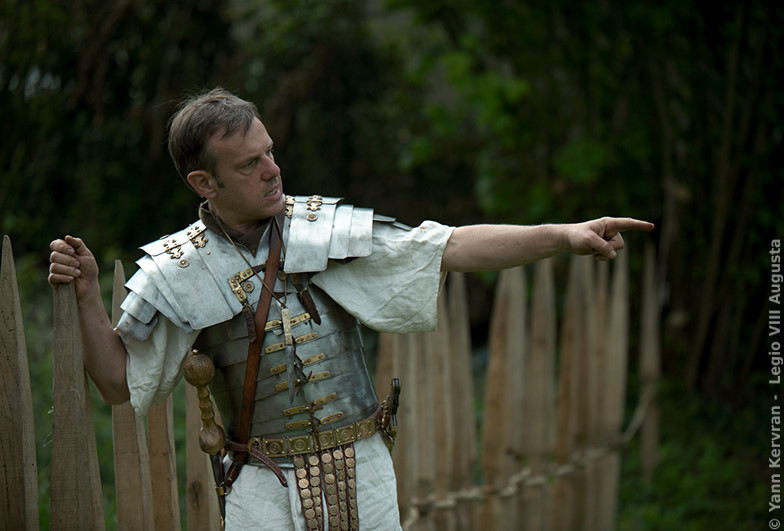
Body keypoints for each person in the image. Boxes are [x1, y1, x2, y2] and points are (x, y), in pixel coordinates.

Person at [48, 87, 653, 530]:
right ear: (205, 183)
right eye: (250, 164)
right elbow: (119, 382)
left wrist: (563, 235)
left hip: (362, 465)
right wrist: (87, 297)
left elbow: (448, 246)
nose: (273, 171)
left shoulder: (323, 230)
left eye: (270, 152)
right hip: (261, 482)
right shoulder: (177, 270)